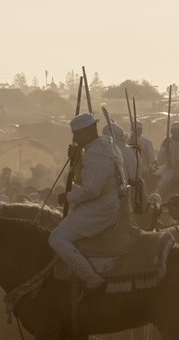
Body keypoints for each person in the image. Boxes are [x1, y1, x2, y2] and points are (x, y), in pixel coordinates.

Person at [50, 112, 126, 289]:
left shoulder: (95, 154)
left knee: (56, 238)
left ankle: (92, 279)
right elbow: (87, 180)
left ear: (87, 131)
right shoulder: (104, 145)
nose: (75, 138)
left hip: (101, 207)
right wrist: (78, 160)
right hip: (105, 202)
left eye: (77, 134)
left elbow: (91, 190)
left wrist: (68, 197)